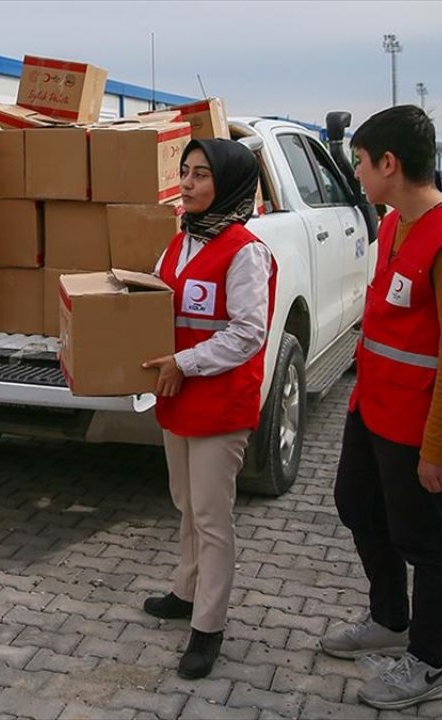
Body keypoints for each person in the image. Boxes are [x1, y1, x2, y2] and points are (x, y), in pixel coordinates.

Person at [320, 105, 442, 711]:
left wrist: (438, 448)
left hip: (419, 428)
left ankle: (427, 663)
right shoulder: (394, 225)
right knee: (356, 504)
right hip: (372, 409)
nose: (359, 176)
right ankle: (389, 617)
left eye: (361, 165)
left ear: (389, 164)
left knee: (427, 542)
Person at [141, 139, 276, 680]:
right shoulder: (180, 240)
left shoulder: (245, 250)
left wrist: (184, 361)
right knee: (184, 500)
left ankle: (209, 624)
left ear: (231, 184)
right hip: (179, 395)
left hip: (219, 401)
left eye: (201, 174)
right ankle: (185, 589)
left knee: (211, 515)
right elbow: (152, 299)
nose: (188, 182)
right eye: (184, 172)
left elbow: (249, 333)